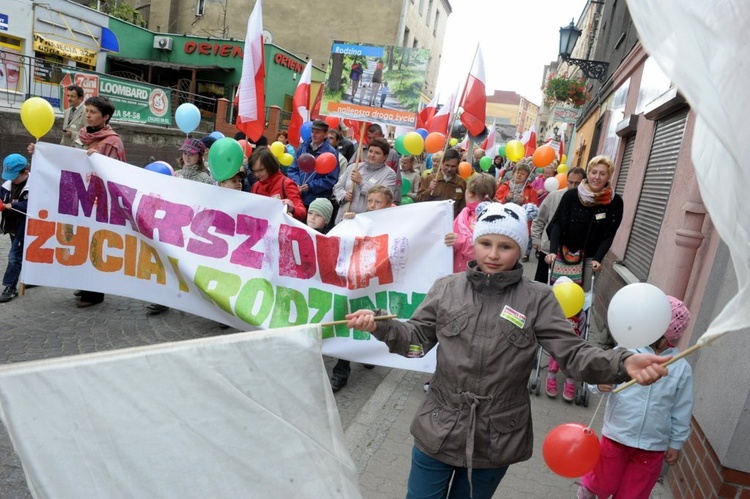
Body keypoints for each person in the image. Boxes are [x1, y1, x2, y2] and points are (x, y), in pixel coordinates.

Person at [344, 201, 671, 499]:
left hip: (495, 439)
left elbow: (572, 354)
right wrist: (382, 326)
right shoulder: (446, 288)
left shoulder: (538, 299)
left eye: (506, 246)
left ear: (521, 249)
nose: (494, 254)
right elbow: (416, 343)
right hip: (437, 427)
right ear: (474, 243)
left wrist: (623, 362)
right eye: (486, 243)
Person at [578, 296, 694, 499]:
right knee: (599, 485)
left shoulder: (680, 367)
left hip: (652, 446)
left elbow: (681, 408)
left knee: (634, 494)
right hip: (617, 436)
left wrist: (675, 443)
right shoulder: (626, 351)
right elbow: (601, 371)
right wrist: (598, 384)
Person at [330, 185, 395, 391]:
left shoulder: (397, 222)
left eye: (378, 202)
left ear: (388, 204)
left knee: (372, 320)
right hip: (358, 279)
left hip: (379, 281)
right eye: (370, 201)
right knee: (351, 319)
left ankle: (367, 353)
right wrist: (348, 222)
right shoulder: (362, 219)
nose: (372, 206)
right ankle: (341, 369)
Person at [74, 96, 126, 308]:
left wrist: (99, 160)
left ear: (105, 117)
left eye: (93, 112)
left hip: (100, 202)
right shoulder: (82, 135)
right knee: (81, 240)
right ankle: (83, 282)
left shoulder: (112, 142)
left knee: (96, 242)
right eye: (87, 110)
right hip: (81, 196)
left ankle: (94, 293)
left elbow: (116, 173)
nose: (88, 115)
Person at [547, 155, 624, 292]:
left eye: (602, 173)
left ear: (609, 176)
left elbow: (610, 234)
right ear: (588, 173)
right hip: (564, 254)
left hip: (590, 258)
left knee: (582, 298)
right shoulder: (571, 196)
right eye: (593, 172)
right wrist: (552, 251)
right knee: (557, 297)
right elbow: (557, 224)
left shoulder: (615, 202)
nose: (597, 177)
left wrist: (598, 258)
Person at [531, 167, 586, 283]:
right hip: (548, 250)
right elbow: (539, 219)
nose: (573, 185)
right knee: (541, 284)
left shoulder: (586, 201)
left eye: (577, 183)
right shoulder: (554, 196)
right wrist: (536, 239)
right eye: (570, 182)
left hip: (572, 256)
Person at [333, 138, 397, 224]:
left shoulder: (389, 174)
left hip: (367, 221)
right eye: (370, 151)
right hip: (344, 218)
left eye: (377, 153)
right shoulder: (353, 167)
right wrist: (344, 196)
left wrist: (361, 182)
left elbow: (384, 196)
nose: (372, 155)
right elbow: (337, 187)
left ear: (385, 156)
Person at [444, 173, 497, 273]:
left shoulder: (482, 216)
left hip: (474, 271)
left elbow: (484, 248)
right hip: (461, 268)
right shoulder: (466, 213)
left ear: (470, 193)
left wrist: (460, 241)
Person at [287, 119, 339, 207]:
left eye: (317, 132)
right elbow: (293, 168)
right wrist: (297, 183)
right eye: (312, 131)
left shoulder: (331, 153)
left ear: (325, 134)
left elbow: (331, 179)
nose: (313, 135)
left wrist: (310, 186)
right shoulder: (303, 147)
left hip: (315, 201)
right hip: (297, 196)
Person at [0, 154, 30, 303]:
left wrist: (14, 205)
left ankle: (10, 288)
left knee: (14, 257)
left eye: (14, 176)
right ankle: (31, 278)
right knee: (23, 254)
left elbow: (35, 206)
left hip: (25, 227)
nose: (11, 179)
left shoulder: (34, 185)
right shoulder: (7, 185)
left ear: (25, 172)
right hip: (11, 226)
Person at [250, 147, 306, 221]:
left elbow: (302, 212)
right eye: (254, 171)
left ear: (270, 166)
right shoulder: (255, 186)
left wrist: (291, 208)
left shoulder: (286, 183)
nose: (257, 174)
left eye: (261, 170)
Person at [416, 148, 466, 218]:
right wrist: (429, 190)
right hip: (432, 222)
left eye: (453, 166)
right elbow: (418, 201)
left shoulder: (461, 183)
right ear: (441, 163)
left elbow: (463, 208)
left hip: (451, 224)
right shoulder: (428, 179)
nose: (449, 169)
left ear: (457, 165)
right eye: (447, 165)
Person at [358, 124, 401, 204]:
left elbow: (396, 181)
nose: (371, 140)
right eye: (369, 137)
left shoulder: (392, 154)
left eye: (374, 138)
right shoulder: (361, 150)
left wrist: (395, 201)